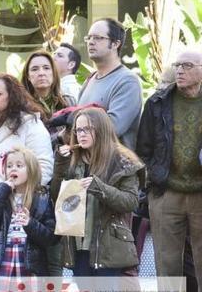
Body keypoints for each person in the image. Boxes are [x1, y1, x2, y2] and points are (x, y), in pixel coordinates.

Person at [0, 74, 53, 273]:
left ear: (12, 97)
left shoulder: (30, 124)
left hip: (17, 210)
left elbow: (44, 166)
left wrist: (19, 190)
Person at [137, 50, 202, 290]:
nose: (180, 71)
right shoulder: (157, 103)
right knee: (167, 266)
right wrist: (153, 178)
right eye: (177, 66)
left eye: (187, 66)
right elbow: (143, 149)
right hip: (166, 192)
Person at [52, 107, 143, 276]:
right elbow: (57, 197)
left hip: (108, 247)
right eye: (78, 129)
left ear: (102, 129)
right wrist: (60, 164)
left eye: (88, 129)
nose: (82, 134)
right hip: (78, 245)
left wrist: (99, 187)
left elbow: (130, 201)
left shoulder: (123, 160)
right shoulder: (73, 160)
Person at [0, 147, 57, 278]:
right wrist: (3, 189)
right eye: (9, 166)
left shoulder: (42, 198)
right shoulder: (2, 194)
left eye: (19, 165)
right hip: (4, 258)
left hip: (29, 261)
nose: (13, 169)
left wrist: (30, 223)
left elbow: (51, 237)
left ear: (31, 170)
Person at [78, 18, 143, 150]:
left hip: (115, 166)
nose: (91, 42)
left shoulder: (127, 81)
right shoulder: (89, 80)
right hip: (87, 165)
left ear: (115, 44)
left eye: (98, 38)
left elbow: (113, 127)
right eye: (89, 38)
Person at [20, 51, 76, 118]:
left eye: (46, 68)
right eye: (34, 69)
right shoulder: (21, 106)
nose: (41, 73)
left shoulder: (68, 101)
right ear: (28, 76)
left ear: (53, 73)